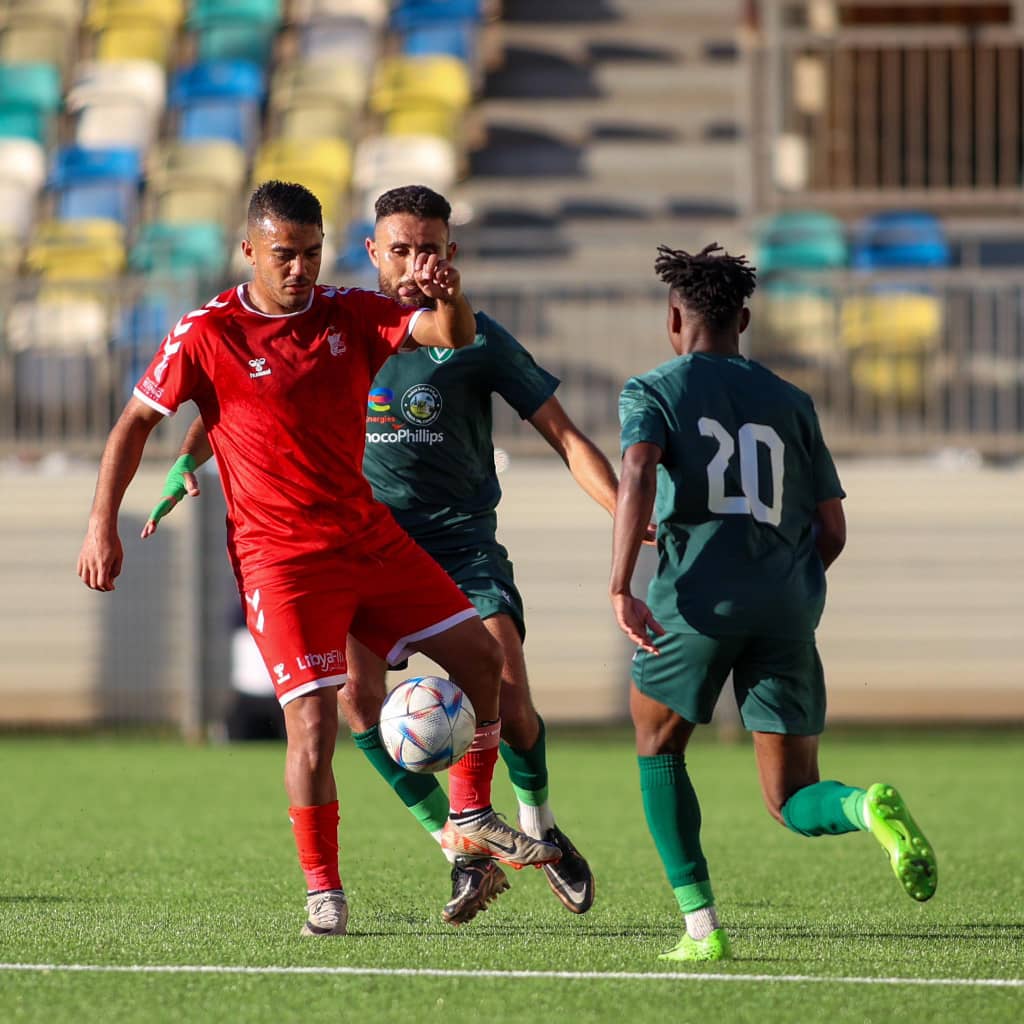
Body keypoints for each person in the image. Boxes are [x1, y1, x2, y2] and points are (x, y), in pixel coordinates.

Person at [77, 180, 560, 940]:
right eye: (283, 256)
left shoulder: (348, 314)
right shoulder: (208, 332)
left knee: (483, 660)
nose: (299, 270)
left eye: (309, 253)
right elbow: (136, 421)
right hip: (284, 563)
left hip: (371, 542)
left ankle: (470, 808)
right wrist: (103, 522)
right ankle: (323, 893)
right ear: (249, 251)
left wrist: (451, 293)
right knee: (312, 726)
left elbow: (452, 337)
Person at [609, 243, 938, 963]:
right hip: (785, 605)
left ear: (675, 318)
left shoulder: (653, 389)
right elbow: (832, 530)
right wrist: (787, 586)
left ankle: (701, 929)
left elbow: (636, 468)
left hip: (693, 605)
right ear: (745, 320)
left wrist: (621, 584)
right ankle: (862, 806)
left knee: (658, 747)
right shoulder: (792, 400)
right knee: (793, 796)